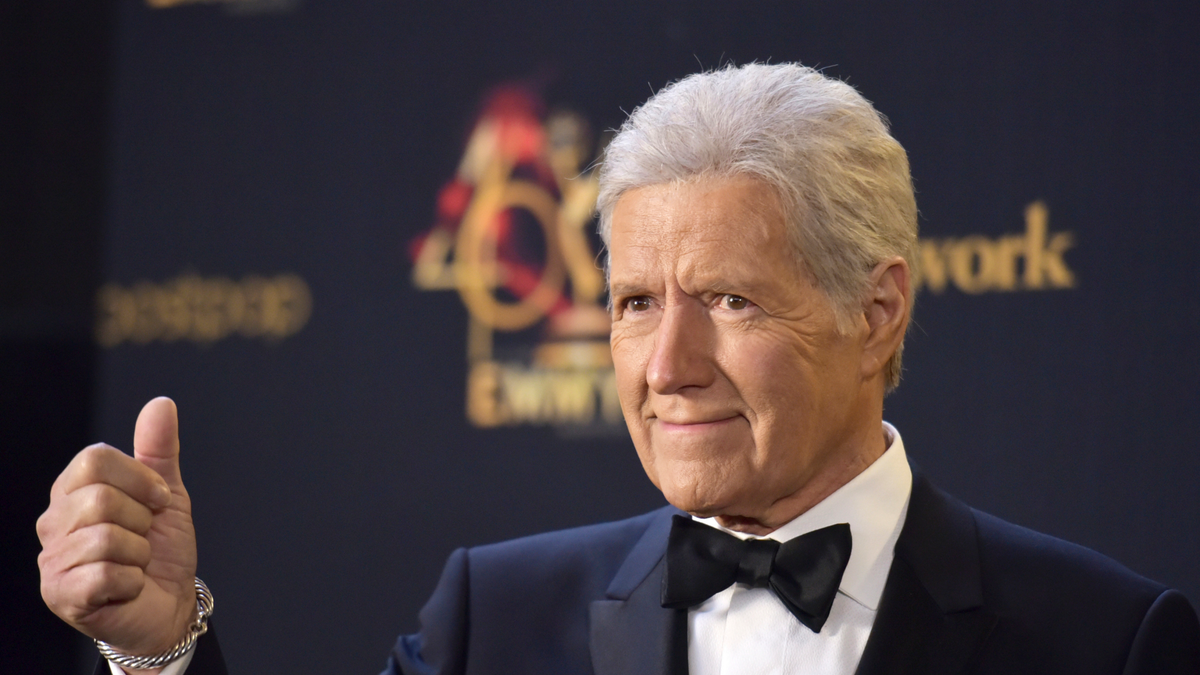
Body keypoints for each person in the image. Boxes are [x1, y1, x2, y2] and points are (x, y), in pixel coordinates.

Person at [37, 63, 1200, 675]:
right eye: (637, 303)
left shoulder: (1108, 642)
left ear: (878, 311)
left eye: (730, 300)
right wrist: (157, 653)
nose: (668, 365)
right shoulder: (494, 621)